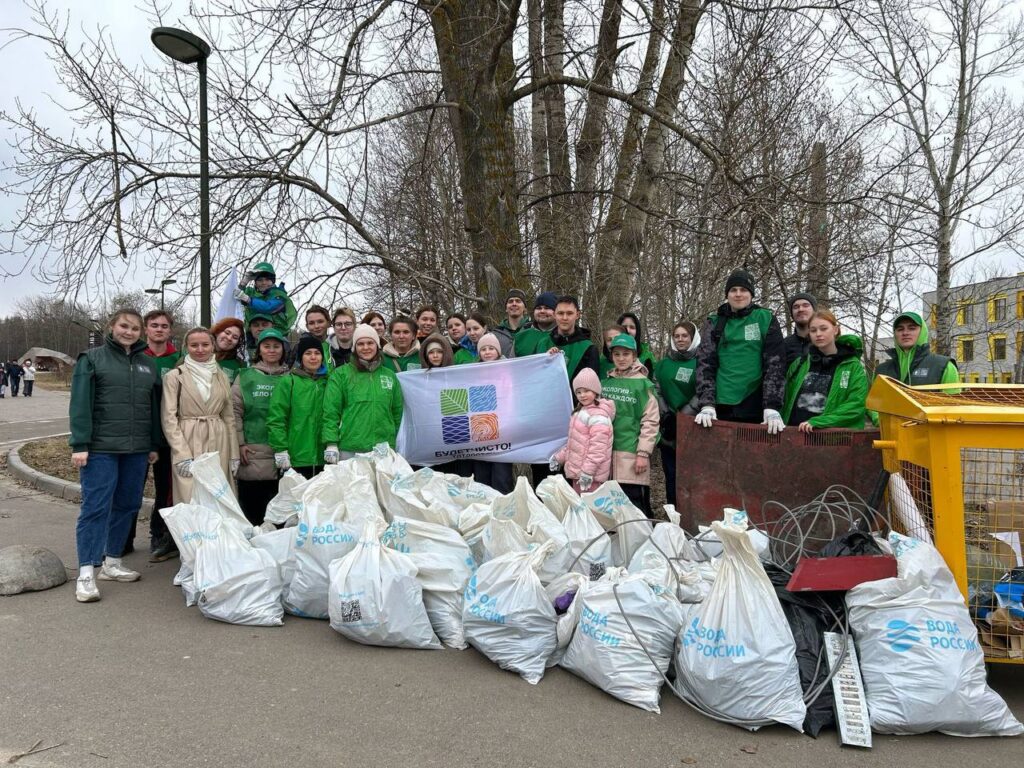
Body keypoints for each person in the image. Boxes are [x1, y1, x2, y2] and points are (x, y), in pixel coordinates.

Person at [68, 309, 160, 602]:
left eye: (134, 328)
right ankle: (86, 572)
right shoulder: (92, 359)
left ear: (141, 332)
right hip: (100, 449)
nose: (128, 331)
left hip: (136, 450)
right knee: (95, 507)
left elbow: (153, 407)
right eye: (124, 325)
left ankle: (112, 562)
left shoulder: (148, 365)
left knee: (127, 504)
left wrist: (153, 444)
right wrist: (80, 443)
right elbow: (80, 403)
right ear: (112, 326)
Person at [694, 269, 786, 432]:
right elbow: (705, 364)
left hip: (754, 402)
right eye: (733, 290)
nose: (738, 294)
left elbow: (775, 364)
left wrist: (772, 405)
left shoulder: (765, 318)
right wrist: (707, 403)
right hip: (721, 404)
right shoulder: (714, 323)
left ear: (751, 294)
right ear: (727, 294)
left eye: (743, 290)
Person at [161, 327, 239, 504]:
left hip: (219, 440)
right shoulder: (175, 376)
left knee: (219, 494)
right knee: (191, 494)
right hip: (188, 437)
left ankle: (221, 532)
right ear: (186, 347)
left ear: (213, 346)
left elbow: (228, 417)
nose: (200, 349)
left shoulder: (221, 376)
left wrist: (234, 453)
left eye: (205, 344)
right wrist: (181, 454)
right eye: (194, 345)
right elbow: (169, 418)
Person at [232, 328, 290, 524]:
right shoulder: (246, 377)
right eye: (267, 346)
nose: (272, 350)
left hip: (283, 451)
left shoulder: (290, 377)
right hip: (253, 451)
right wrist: (239, 443)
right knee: (253, 511)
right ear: (259, 350)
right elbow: (235, 411)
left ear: (283, 349)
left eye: (276, 346)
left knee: (280, 508)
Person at [322, 324, 404, 460]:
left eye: (370, 343)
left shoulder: (389, 375)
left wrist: (394, 440)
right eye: (360, 344)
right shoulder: (341, 375)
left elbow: (397, 412)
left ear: (377, 345)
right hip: (350, 449)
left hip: (383, 450)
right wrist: (331, 443)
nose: (366, 348)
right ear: (354, 347)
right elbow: (331, 411)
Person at [601, 333, 659, 517]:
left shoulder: (644, 385)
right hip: (606, 454)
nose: (621, 358)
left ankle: (642, 544)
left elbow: (650, 422)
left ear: (634, 356)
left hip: (631, 454)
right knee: (610, 506)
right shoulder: (605, 383)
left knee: (634, 506)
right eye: (617, 354)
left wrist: (643, 454)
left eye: (626, 354)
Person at [782, 310, 869, 431]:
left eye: (823, 329)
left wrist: (820, 422)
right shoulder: (800, 363)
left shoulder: (852, 366)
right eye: (813, 330)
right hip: (795, 434)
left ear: (835, 330)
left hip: (830, 439)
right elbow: (784, 396)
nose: (818, 334)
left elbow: (857, 404)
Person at [141, 310, 182, 561]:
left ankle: (160, 534)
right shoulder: (135, 355)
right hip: (139, 432)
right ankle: (121, 540)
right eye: (154, 325)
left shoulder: (177, 359)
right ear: (146, 329)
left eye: (164, 326)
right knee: (130, 490)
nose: (159, 329)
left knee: (165, 488)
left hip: (167, 434)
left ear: (169, 331)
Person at [268, 334, 329, 480]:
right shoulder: (288, 382)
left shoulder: (329, 382)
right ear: (300, 357)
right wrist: (280, 449)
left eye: (317, 353)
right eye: (308, 353)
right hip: (295, 457)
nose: (313, 357)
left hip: (324, 458)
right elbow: (276, 418)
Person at [653, 321, 700, 505]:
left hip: (692, 427)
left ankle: (690, 514)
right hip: (667, 428)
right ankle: (672, 515)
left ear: (692, 337)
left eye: (684, 336)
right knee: (670, 474)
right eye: (676, 336)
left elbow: (703, 391)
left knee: (691, 475)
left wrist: (684, 416)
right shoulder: (663, 363)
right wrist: (666, 414)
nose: (680, 339)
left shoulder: (701, 362)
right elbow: (655, 387)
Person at [550, 369, 615, 494]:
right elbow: (574, 444)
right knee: (581, 509)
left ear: (596, 391)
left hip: (591, 476)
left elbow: (598, 449)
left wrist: (588, 472)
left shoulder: (598, 416)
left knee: (591, 510)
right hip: (579, 473)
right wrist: (559, 458)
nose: (582, 395)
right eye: (578, 392)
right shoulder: (580, 412)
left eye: (586, 391)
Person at [468, 333, 515, 493]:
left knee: (502, 476)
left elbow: (509, 400)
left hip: (502, 432)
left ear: (498, 351)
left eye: (491, 348)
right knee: (482, 477)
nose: (487, 352)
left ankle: (504, 511)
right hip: (480, 432)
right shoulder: (473, 372)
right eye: (483, 349)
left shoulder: (507, 372)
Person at [875, 311, 959, 387]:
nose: (905, 333)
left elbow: (953, 402)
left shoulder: (944, 366)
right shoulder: (881, 371)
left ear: (922, 331)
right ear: (895, 334)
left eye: (912, 328)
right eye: (900, 329)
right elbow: (873, 402)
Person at [538, 296, 600, 391]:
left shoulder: (588, 348)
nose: (565, 318)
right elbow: (537, 377)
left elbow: (591, 388)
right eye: (560, 313)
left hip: (575, 404)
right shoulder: (543, 343)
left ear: (577, 315)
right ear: (554, 315)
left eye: (569, 313)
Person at [235, 262, 297, 345]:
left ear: (273, 281)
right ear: (255, 282)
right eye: (260, 280)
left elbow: (268, 307)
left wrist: (248, 299)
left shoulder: (279, 295)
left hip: (278, 337)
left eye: (267, 280)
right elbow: (235, 296)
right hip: (254, 339)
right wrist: (244, 282)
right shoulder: (252, 293)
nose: (263, 283)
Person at [513, 291, 558, 357]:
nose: (542, 311)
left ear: (556, 312)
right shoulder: (520, 337)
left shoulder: (564, 337)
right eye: (538, 308)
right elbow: (510, 365)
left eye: (547, 308)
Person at [617, 312, 657, 378]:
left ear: (637, 331)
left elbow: (653, 384)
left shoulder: (647, 358)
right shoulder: (607, 356)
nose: (628, 330)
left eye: (632, 327)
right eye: (624, 327)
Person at [296, 305, 334, 372]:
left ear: (328, 323)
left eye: (320, 321)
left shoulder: (336, 345)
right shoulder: (300, 347)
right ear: (307, 326)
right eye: (311, 323)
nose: (316, 326)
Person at [784, 293, 818, 367]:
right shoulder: (783, 345)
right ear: (792, 314)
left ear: (814, 310)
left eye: (805, 305)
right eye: (796, 307)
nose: (801, 309)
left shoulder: (825, 341)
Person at [211, 317, 247, 384]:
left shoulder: (241, 366)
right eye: (227, 333)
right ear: (217, 332)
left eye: (235, 337)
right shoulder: (197, 355)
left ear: (237, 343)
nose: (229, 338)